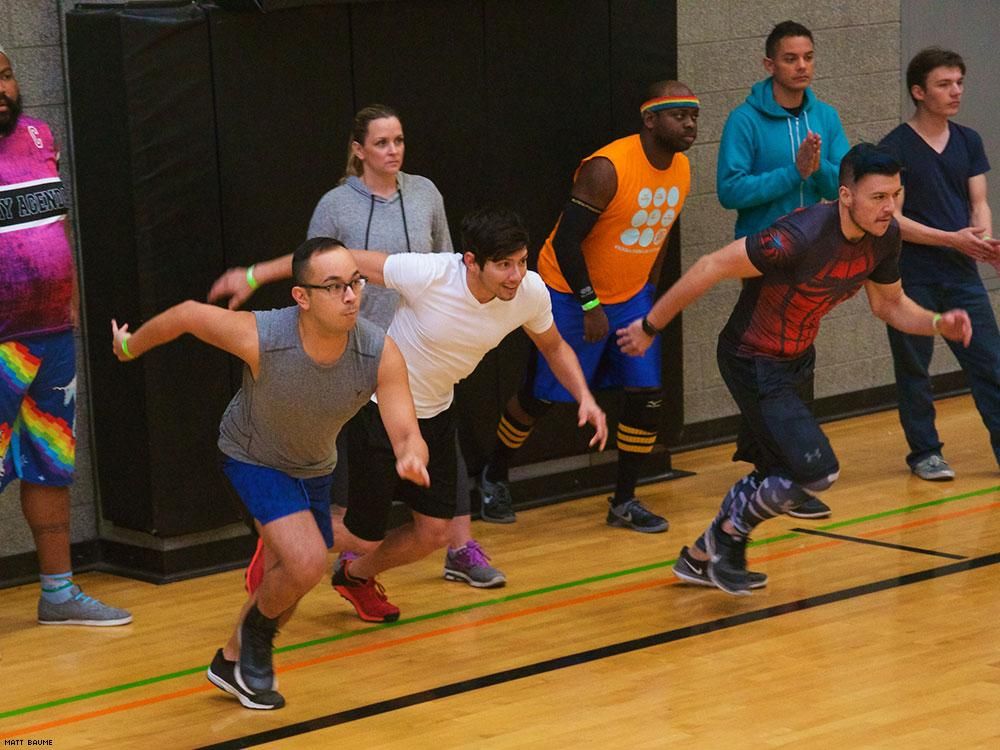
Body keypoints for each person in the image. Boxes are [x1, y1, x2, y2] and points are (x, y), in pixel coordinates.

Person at [211, 208, 607, 622]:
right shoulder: (431, 274)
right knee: (362, 534)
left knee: (434, 532)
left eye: (522, 262)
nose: (516, 274)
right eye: (504, 265)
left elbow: (555, 347)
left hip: (436, 412)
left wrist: (585, 398)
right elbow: (346, 259)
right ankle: (282, 537)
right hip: (380, 408)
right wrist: (254, 275)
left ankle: (353, 576)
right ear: (471, 261)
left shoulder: (529, 292)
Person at [617, 144, 972, 595]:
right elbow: (710, 267)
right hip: (752, 358)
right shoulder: (796, 236)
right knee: (816, 471)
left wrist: (940, 323)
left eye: (895, 195)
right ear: (845, 195)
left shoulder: (885, 238)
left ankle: (701, 556)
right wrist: (650, 326)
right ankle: (727, 538)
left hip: (798, 361)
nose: (889, 208)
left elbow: (890, 306)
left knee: (775, 472)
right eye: (878, 197)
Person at [112, 238, 428, 709]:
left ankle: (231, 660)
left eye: (355, 283)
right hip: (250, 457)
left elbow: (406, 430)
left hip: (314, 469)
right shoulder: (263, 336)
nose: (350, 296)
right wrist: (129, 347)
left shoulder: (378, 352)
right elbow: (187, 315)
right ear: (301, 297)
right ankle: (258, 637)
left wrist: (411, 454)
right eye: (335, 286)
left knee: (292, 581)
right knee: (305, 563)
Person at [475, 80, 697, 533]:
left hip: (631, 297)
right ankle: (493, 476)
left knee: (646, 396)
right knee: (541, 396)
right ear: (650, 120)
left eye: (694, 115)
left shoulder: (683, 171)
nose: (690, 123)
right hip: (571, 292)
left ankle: (624, 502)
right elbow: (567, 242)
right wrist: (589, 303)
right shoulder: (607, 168)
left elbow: (661, 233)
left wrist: (646, 295)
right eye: (679, 115)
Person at [0, 45, 131, 626]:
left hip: (54, 336)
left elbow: (55, 225)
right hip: (2, 345)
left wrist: (70, 296)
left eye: (4, 74)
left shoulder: (37, 135)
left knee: (50, 463)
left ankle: (57, 593)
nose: (1, 87)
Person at [715, 20, 850, 519]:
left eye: (808, 57)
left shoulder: (826, 117)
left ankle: (778, 465)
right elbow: (731, 190)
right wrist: (792, 171)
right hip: (762, 258)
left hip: (812, 256)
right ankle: (776, 468)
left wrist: (817, 173)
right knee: (765, 360)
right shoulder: (744, 121)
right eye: (791, 59)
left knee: (798, 357)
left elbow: (841, 185)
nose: (802, 67)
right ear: (769, 65)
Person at [879, 47, 1000, 481]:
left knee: (991, 363)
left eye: (959, 83)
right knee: (914, 368)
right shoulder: (894, 149)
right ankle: (925, 453)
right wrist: (953, 240)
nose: (955, 92)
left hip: (961, 276)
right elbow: (892, 219)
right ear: (918, 91)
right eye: (944, 84)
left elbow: (979, 203)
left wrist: (982, 242)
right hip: (912, 277)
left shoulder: (968, 140)